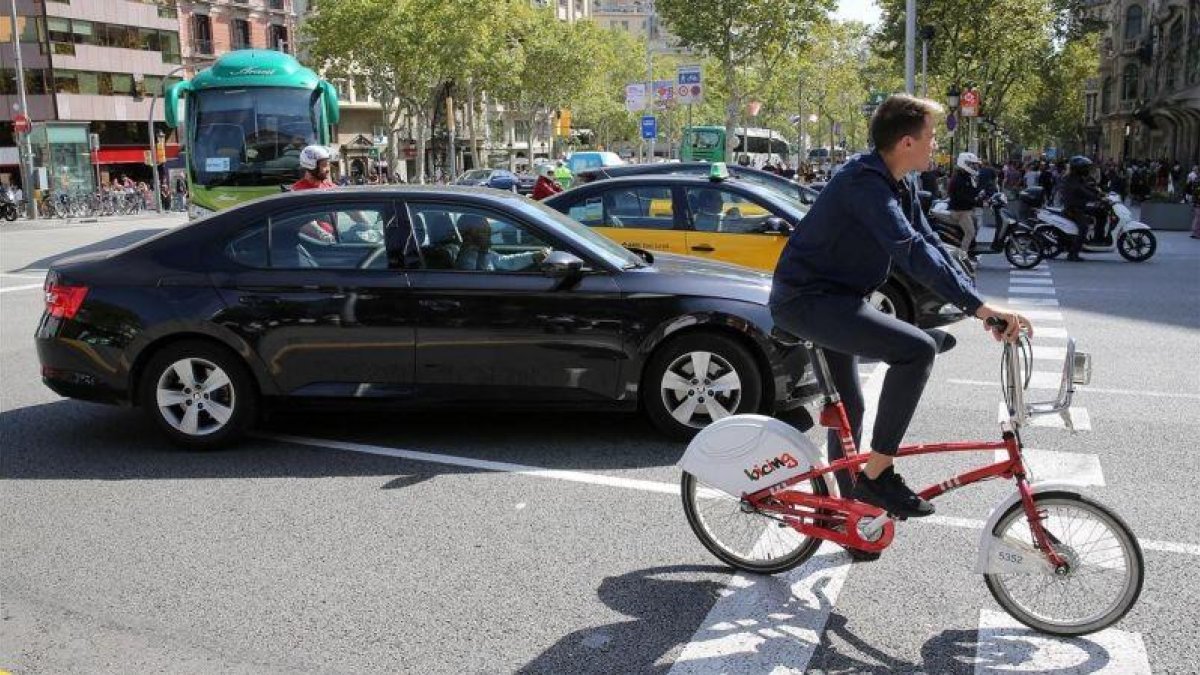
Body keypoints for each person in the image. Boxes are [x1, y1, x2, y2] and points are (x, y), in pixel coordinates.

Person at [770, 93, 1029, 524]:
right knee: (915, 351)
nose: (936, 145)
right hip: (807, 302)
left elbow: (929, 243)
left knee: (850, 409)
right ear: (907, 142)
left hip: (840, 300)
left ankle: (847, 513)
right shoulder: (864, 183)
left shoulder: (901, 181)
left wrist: (978, 304)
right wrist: (980, 309)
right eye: (930, 137)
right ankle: (878, 474)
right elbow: (907, 249)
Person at [454, 214, 548, 271]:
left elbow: (505, 261)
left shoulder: (481, 252)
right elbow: (480, 281)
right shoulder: (467, 261)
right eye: (484, 231)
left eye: (489, 230)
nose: (489, 235)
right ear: (469, 235)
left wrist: (533, 256)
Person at [1059, 155, 1104, 261]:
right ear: (1079, 168)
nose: (1087, 170)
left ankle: (1098, 238)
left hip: (1080, 206)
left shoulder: (1078, 178)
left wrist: (1100, 192)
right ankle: (1073, 253)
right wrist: (1096, 197)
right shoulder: (1071, 180)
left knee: (1101, 212)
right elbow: (1082, 191)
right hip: (1073, 209)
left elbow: (1087, 187)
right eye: (1085, 168)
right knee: (1084, 227)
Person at [947, 152, 982, 256]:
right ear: (964, 164)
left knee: (975, 222)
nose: (974, 167)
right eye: (971, 164)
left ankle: (972, 249)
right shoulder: (959, 179)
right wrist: (976, 201)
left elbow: (971, 191)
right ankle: (962, 256)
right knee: (970, 233)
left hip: (965, 209)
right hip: (960, 211)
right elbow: (962, 197)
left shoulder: (966, 176)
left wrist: (980, 194)